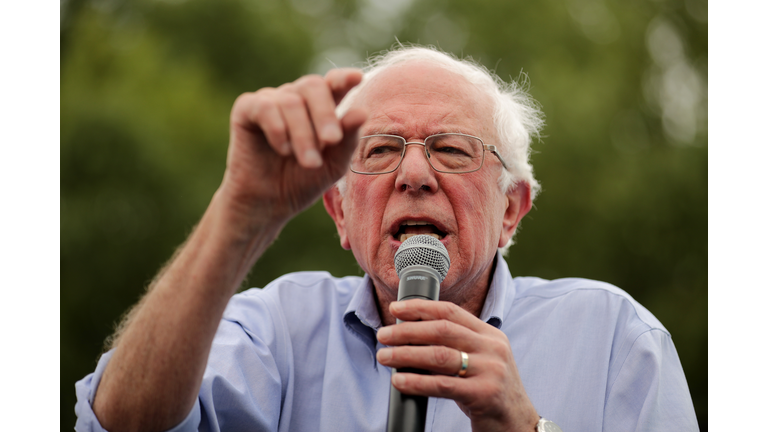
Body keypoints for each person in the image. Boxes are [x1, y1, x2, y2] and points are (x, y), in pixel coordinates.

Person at [75, 46, 698, 432]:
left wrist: (526, 429)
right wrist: (239, 214)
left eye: (452, 150)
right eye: (380, 151)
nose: (415, 175)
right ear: (340, 214)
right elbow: (120, 423)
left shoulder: (616, 337)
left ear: (512, 209)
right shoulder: (278, 334)